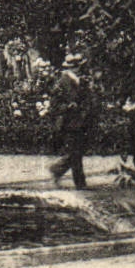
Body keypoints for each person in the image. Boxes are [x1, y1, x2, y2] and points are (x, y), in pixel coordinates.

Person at [48, 51, 94, 189]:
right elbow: (54, 104)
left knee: (77, 151)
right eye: (77, 66)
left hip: (81, 121)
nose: (79, 68)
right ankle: (80, 183)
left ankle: (57, 169)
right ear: (71, 67)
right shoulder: (63, 82)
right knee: (75, 152)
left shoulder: (80, 80)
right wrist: (68, 106)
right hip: (68, 122)